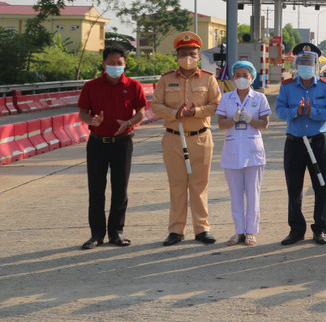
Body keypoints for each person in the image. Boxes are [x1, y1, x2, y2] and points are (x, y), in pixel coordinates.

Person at [152, 32, 221, 246]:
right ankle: (176, 230)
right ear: (177, 56)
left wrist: (197, 112)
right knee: (177, 185)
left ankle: (202, 229)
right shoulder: (166, 79)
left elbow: (216, 105)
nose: (187, 57)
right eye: (183, 54)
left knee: (199, 186)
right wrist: (175, 114)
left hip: (200, 138)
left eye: (192, 53)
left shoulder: (208, 79)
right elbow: (156, 105)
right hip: (173, 138)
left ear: (199, 56)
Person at [77, 45, 147, 249]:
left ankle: (116, 232)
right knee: (96, 190)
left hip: (122, 143)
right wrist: (92, 120)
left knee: (120, 189)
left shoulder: (133, 85)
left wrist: (130, 122)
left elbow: (141, 111)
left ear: (125, 65)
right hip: (97, 143)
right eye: (111, 63)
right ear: (103, 64)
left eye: (119, 63)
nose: (115, 66)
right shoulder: (91, 86)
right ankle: (96, 234)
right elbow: (82, 113)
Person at [275, 42, 326, 246]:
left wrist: (312, 113)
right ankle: (296, 230)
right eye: (301, 61)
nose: (305, 65)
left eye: (309, 62)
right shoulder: (287, 87)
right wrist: (296, 112)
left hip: (317, 142)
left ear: (316, 65)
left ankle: (320, 229)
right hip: (294, 144)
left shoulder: (325, 87)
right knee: (294, 189)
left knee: (321, 186)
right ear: (296, 64)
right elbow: (280, 111)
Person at [216, 60, 271, 246]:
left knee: (253, 194)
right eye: (237, 75)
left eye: (245, 75)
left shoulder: (259, 98)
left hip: (253, 151)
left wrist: (248, 119)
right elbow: (220, 124)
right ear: (233, 77)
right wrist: (233, 119)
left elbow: (264, 124)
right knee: (236, 195)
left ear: (252, 77)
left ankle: (251, 232)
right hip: (232, 151)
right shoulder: (226, 98)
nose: (241, 79)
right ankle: (239, 231)